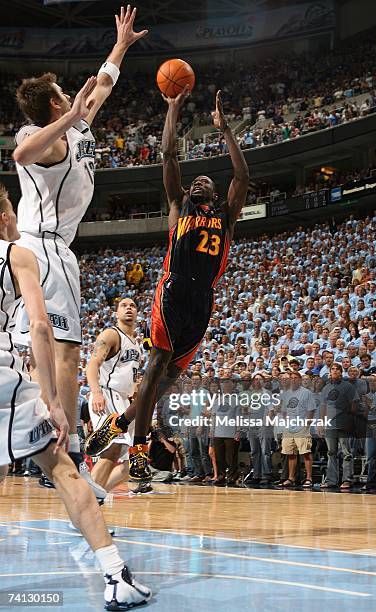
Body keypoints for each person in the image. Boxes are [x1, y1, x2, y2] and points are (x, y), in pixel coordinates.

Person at [12, 6, 147, 487]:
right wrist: (68, 117)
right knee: (66, 349)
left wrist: (122, 45)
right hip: (44, 248)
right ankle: (65, 449)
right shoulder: (39, 134)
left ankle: (37, 442)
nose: (73, 99)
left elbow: (104, 83)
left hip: (34, 251)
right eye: (64, 97)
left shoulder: (77, 124)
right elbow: (20, 154)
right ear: (52, 105)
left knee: (26, 350)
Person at [85, 88, 249, 481]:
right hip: (173, 290)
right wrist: (173, 109)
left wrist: (226, 131)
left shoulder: (226, 216)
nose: (198, 182)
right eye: (194, 181)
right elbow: (169, 155)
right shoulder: (178, 206)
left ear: (213, 192)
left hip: (202, 299)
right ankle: (140, 449)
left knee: (168, 380)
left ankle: (120, 421)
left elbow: (242, 175)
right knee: (156, 365)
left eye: (205, 181)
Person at [0, 185, 151, 609]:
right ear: (2, 218)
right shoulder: (16, 254)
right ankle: (116, 575)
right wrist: (52, 399)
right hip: (5, 382)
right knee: (65, 469)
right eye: (11, 209)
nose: (16, 217)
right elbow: (42, 327)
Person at [86, 297, 144, 492]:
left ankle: (98, 494)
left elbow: (132, 378)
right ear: (116, 313)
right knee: (113, 448)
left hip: (125, 401)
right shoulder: (111, 334)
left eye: (133, 305)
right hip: (107, 394)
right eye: (124, 305)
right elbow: (92, 365)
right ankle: (87, 499)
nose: (129, 308)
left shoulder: (136, 344)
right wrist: (96, 392)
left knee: (137, 459)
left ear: (137, 313)